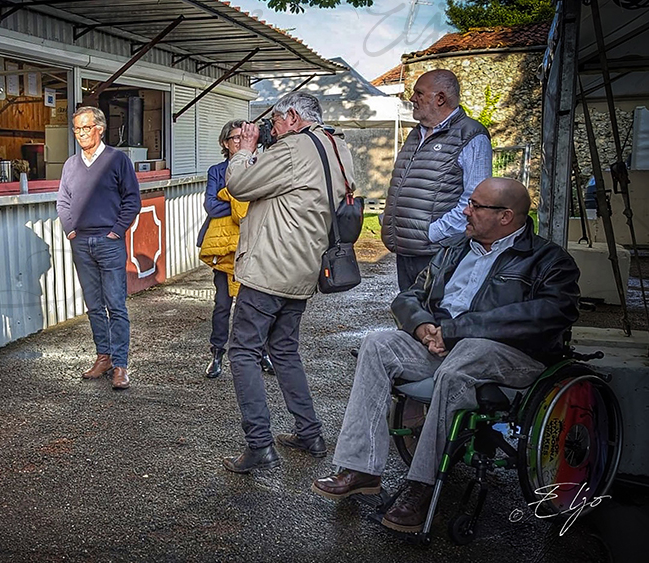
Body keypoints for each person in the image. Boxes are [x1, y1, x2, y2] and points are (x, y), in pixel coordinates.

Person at [312, 178, 580, 533]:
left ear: (506, 217)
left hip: (511, 355)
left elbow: (551, 313)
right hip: (442, 343)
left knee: (463, 359)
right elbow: (408, 296)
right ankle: (361, 468)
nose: (466, 211)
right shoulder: (456, 249)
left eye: (476, 205)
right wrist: (423, 326)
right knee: (377, 343)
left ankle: (420, 487)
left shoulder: (548, 259)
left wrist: (459, 330)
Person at [222, 92, 355, 473]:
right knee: (283, 349)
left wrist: (244, 149)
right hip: (304, 267)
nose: (273, 131)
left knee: (243, 351)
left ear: (293, 117)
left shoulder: (295, 147)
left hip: (269, 268)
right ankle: (309, 432)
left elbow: (240, 185)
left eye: (277, 123)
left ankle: (259, 446)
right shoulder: (337, 146)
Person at [381, 69, 492, 291]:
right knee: (409, 315)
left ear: (440, 99)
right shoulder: (416, 134)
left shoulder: (471, 135)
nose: (412, 99)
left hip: (440, 252)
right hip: (407, 248)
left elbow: (475, 199)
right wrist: (390, 219)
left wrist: (433, 232)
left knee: (435, 318)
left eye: (419, 93)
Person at [56, 106, 141, 390]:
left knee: (116, 305)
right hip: (81, 243)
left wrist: (116, 232)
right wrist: (70, 231)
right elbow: (63, 202)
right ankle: (102, 357)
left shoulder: (117, 159)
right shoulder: (70, 164)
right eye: (77, 129)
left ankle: (120, 365)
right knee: (94, 306)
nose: (80, 133)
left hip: (109, 242)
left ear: (99, 128)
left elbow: (132, 200)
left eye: (85, 128)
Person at [197, 119, 274, 379]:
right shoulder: (217, 171)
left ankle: (261, 352)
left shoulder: (261, 167)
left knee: (255, 304)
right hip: (224, 247)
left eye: (245, 137)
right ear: (225, 143)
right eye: (235, 138)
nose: (240, 142)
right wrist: (241, 204)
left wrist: (230, 196)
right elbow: (211, 207)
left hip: (254, 246)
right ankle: (217, 352)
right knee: (222, 304)